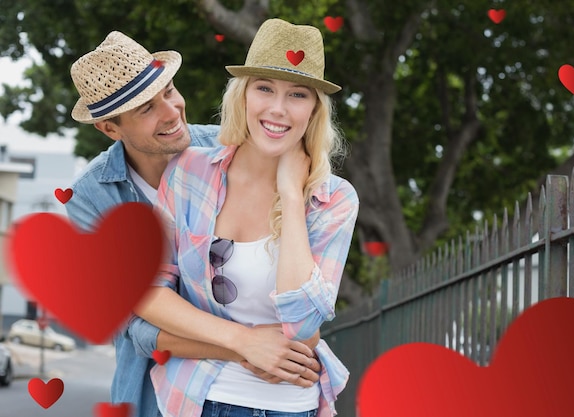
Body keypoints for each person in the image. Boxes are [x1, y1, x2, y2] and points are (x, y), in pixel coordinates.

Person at [65, 30, 321, 417]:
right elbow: (139, 326)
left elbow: (295, 265)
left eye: (169, 91)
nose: (171, 112)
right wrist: (244, 344)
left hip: (267, 391)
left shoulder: (231, 148)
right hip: (155, 391)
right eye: (145, 109)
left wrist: (276, 348)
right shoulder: (92, 198)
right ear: (110, 129)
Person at [135, 18, 359, 417]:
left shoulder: (332, 200)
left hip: (286, 406)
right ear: (242, 96)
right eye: (264, 88)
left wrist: (291, 196)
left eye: (297, 95)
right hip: (192, 399)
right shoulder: (188, 173)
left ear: (314, 110)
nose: (277, 108)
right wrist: (242, 340)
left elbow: (303, 326)